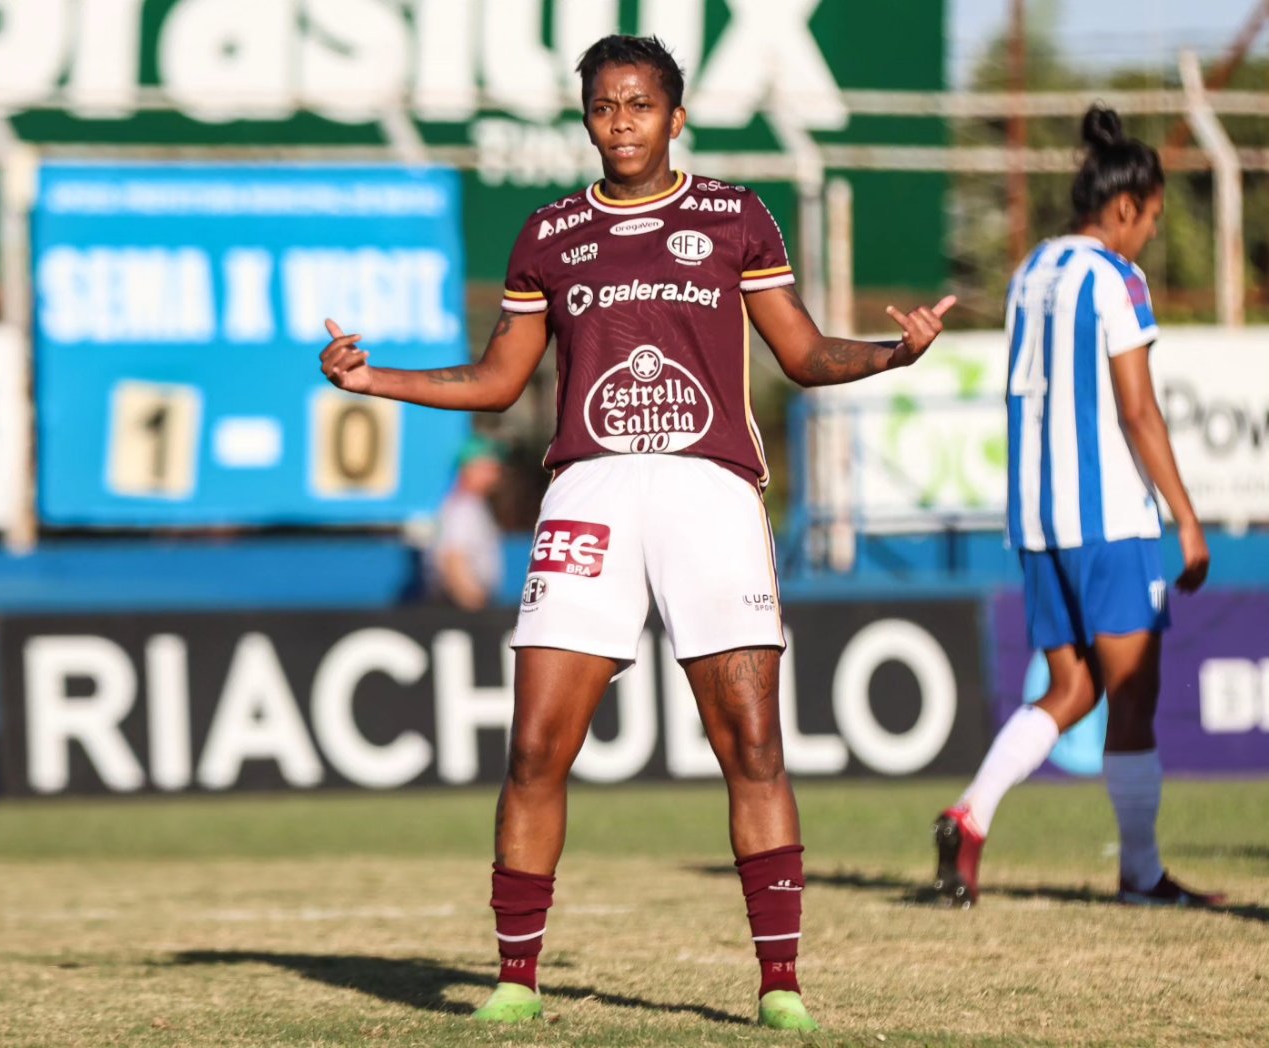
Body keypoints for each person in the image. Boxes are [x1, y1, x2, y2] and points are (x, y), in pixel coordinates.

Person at [320, 34, 953, 1030]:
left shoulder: (734, 215)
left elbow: (796, 351)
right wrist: (374, 379)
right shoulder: (549, 233)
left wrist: (887, 354)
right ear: (586, 117)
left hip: (710, 491)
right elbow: (495, 379)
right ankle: (515, 980)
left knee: (750, 742)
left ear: (674, 114)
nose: (621, 123)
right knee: (534, 747)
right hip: (589, 496)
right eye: (604, 107)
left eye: (638, 105)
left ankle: (779, 983)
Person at [932, 105, 1223, 910]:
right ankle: (1141, 876)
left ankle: (971, 812)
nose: (1152, 235)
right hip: (1109, 520)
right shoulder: (1115, 277)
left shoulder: (1033, 270)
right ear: (1125, 207)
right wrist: (1188, 517)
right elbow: (1138, 411)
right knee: (1132, 696)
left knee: (1070, 690)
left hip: (1036, 521)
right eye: (1154, 218)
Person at [424, 434, 506, 611]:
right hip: (459, 608)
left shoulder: (473, 505)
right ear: (469, 468)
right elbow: (453, 561)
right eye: (489, 467)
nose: (495, 473)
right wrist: (476, 611)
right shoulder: (462, 508)